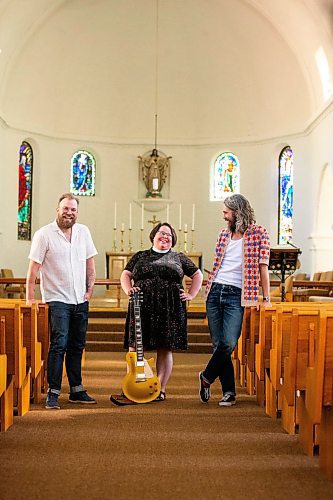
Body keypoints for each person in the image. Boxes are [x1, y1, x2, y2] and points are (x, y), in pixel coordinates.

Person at [26, 193, 98, 410]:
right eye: (65, 209)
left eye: (73, 210)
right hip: (57, 299)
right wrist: (30, 298)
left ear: (77, 212)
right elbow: (33, 270)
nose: (69, 213)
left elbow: (90, 263)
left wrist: (90, 289)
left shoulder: (83, 232)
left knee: (77, 346)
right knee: (59, 344)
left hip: (80, 300)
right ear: (57, 210)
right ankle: (53, 392)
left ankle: (76, 389)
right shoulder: (44, 235)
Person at [199, 194, 271, 407]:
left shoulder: (259, 233)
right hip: (214, 291)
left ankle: (206, 377)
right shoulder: (223, 235)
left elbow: (263, 267)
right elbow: (218, 264)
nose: (223, 216)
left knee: (229, 342)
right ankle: (228, 391)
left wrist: (266, 298)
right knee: (218, 344)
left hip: (237, 294)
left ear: (237, 211)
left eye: (226, 212)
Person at [120, 222, 203, 401]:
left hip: (170, 307)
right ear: (153, 236)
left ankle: (160, 388)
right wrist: (128, 290)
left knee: (165, 347)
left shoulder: (179, 257)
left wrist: (191, 294)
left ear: (173, 240)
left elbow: (197, 274)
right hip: (140, 306)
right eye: (161, 233)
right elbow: (126, 274)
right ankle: (133, 384)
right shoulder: (140, 256)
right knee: (135, 345)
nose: (165, 236)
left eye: (169, 235)